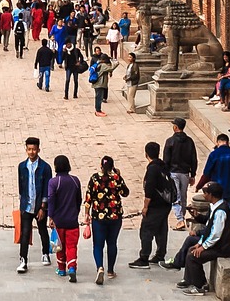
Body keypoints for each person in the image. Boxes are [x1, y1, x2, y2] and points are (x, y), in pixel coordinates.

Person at [179, 179, 230, 295]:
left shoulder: (221, 211)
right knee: (192, 249)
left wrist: (203, 247)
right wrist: (200, 242)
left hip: (221, 247)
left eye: (205, 193)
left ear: (211, 195)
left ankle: (199, 286)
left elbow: (216, 234)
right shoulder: (215, 206)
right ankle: (195, 281)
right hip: (216, 244)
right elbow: (209, 228)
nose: (204, 195)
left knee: (193, 256)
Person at [84, 154, 128, 284]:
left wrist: (87, 214)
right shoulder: (116, 178)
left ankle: (100, 267)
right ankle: (111, 271)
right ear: (113, 167)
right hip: (115, 216)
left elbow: (88, 199)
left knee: (98, 244)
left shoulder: (95, 178)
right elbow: (125, 193)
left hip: (99, 216)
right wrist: (119, 176)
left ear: (101, 166)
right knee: (112, 243)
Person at [130, 140, 174, 268]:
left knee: (146, 229)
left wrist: (145, 207)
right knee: (161, 228)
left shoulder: (152, 169)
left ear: (146, 154)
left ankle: (144, 257)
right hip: (166, 204)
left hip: (156, 205)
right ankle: (160, 254)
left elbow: (149, 190)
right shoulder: (163, 166)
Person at [15, 136, 53, 274]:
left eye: (34, 149)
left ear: (38, 150)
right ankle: (23, 260)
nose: (31, 152)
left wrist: (43, 207)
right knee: (24, 233)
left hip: (39, 205)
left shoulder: (45, 167)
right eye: (29, 149)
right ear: (26, 150)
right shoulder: (22, 166)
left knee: (42, 230)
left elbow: (47, 188)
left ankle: (45, 253)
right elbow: (21, 185)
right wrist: (21, 203)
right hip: (26, 205)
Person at [46, 154, 82, 282]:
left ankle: (61, 269)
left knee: (59, 245)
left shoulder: (53, 182)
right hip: (72, 220)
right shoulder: (75, 180)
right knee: (71, 246)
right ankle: (72, 267)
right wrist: (76, 212)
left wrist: (51, 217)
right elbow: (79, 200)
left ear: (55, 166)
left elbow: (51, 200)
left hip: (58, 221)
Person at [202, 132, 230, 217]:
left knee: (216, 215)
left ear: (217, 142)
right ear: (228, 142)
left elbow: (206, 173)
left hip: (216, 191)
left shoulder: (214, 154)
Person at [165, 117, 199, 219]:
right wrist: (193, 174)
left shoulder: (170, 141)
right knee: (183, 195)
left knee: (176, 195)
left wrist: (165, 173)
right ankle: (182, 214)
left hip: (173, 171)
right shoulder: (189, 141)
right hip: (185, 172)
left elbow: (166, 159)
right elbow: (194, 159)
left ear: (175, 127)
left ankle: (180, 218)